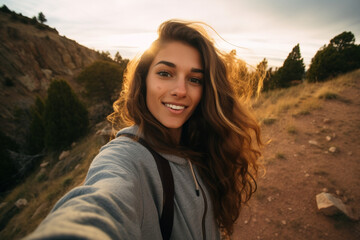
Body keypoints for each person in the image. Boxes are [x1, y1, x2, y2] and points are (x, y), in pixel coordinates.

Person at [25, 20, 262, 240]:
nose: (181, 90)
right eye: (165, 73)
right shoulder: (127, 157)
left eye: (195, 79)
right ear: (144, 80)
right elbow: (104, 199)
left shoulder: (202, 142)